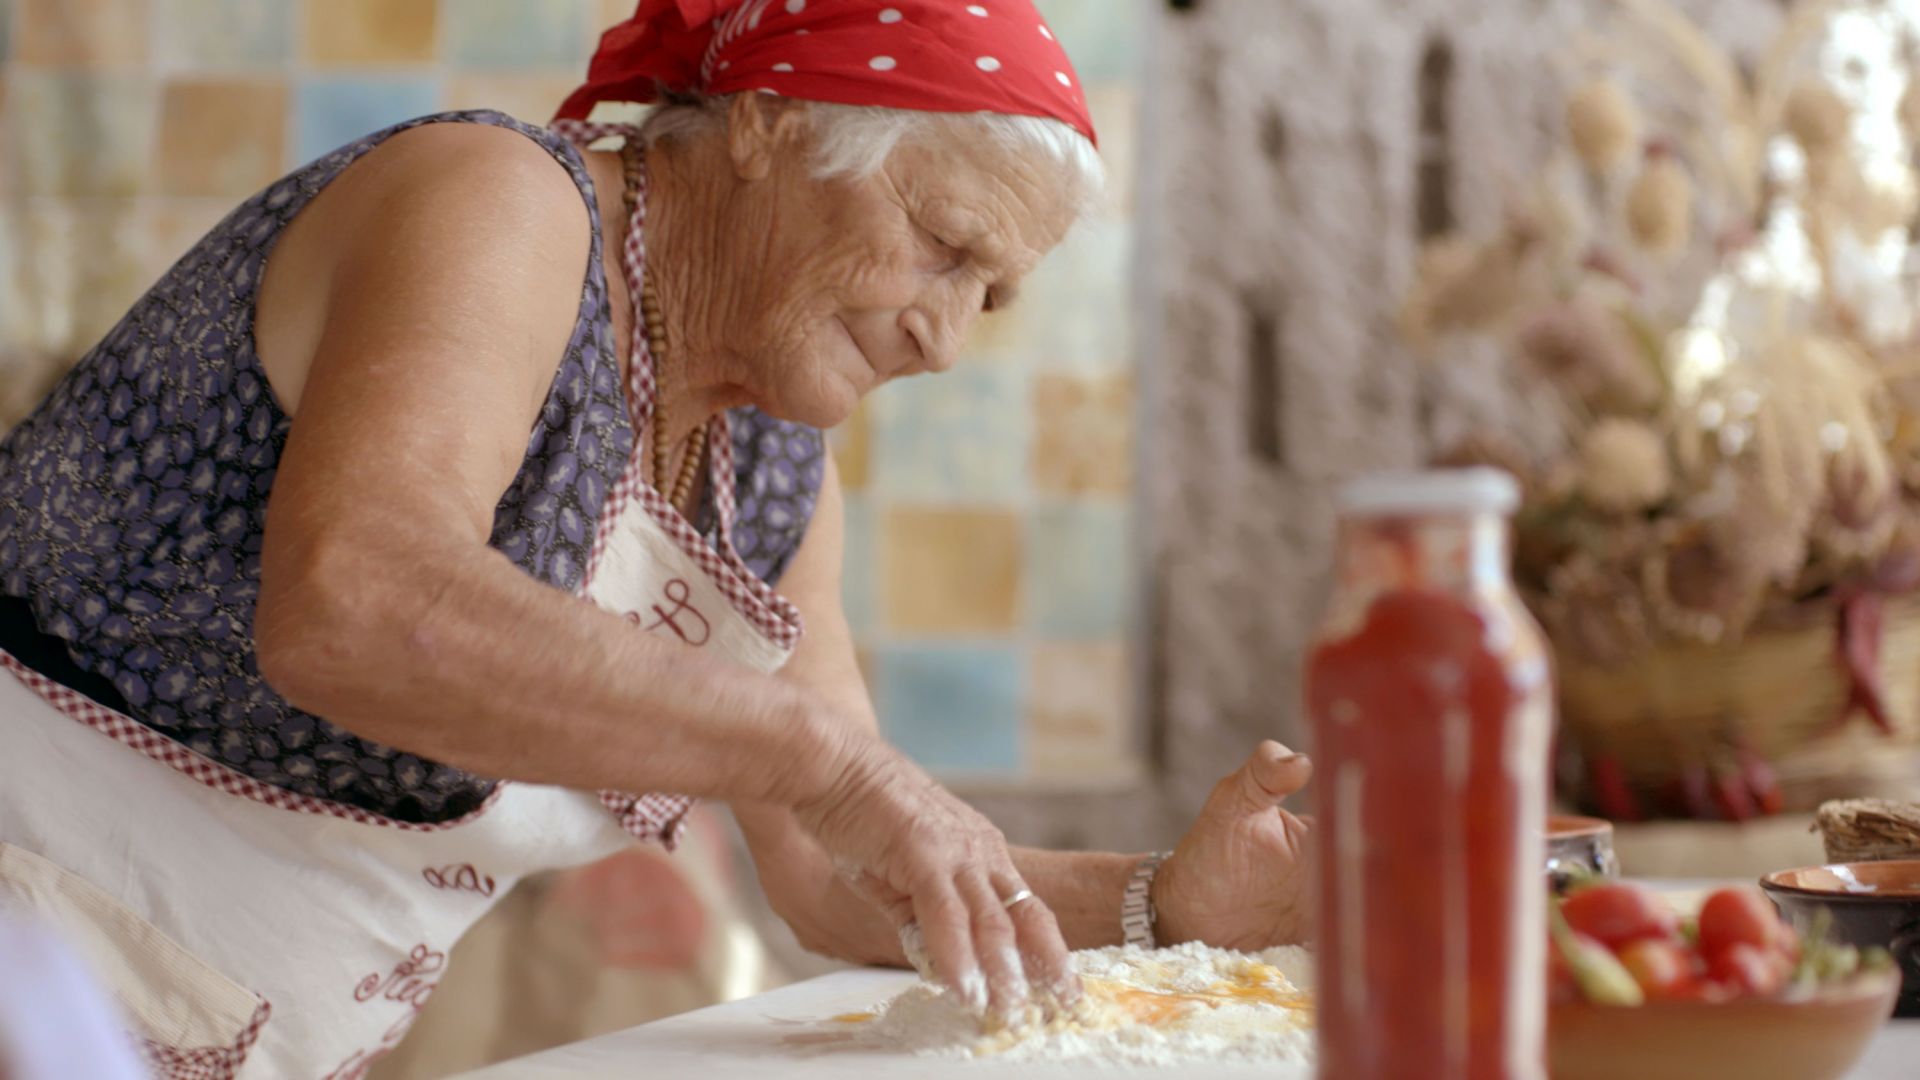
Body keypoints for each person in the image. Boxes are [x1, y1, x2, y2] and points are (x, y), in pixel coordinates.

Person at [0, 1, 1312, 1073]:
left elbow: (837, 874)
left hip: (231, 1028)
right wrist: (817, 756)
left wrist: (1166, 906)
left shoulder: (773, 470)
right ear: (770, 123)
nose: (945, 337)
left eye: (993, 294)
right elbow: (356, 604)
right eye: (939, 244)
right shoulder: (502, 202)